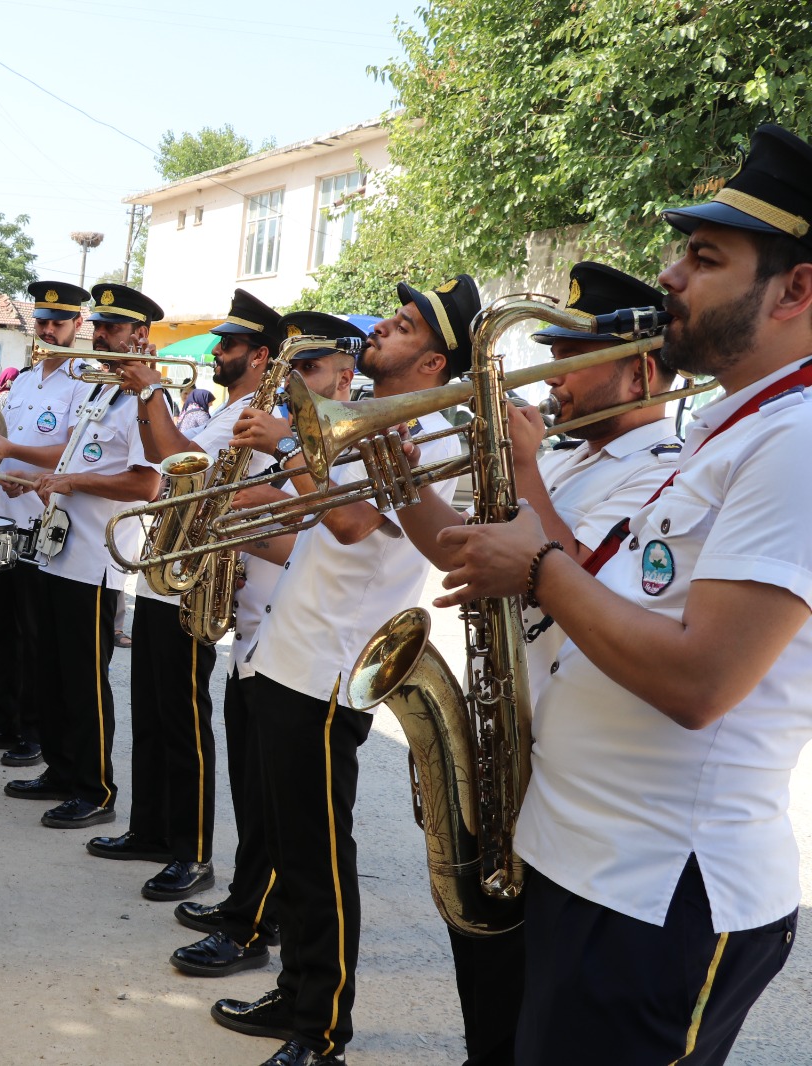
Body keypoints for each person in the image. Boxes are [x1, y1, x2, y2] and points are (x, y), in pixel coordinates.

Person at [432, 123, 812, 1066]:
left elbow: (701, 683)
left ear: (797, 290)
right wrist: (538, 540)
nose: (672, 277)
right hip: (594, 865)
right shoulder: (732, 433)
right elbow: (606, 587)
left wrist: (539, 566)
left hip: (661, 892)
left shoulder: (796, 442)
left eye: (705, 257)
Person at [388, 261, 679, 1066]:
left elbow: (578, 584)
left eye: (568, 359)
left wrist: (520, 471)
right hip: (520, 750)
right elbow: (470, 555)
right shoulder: (571, 458)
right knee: (488, 996)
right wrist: (402, 477)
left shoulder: (663, 467)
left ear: (642, 368)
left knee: (526, 1011)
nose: (552, 382)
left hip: (570, 773)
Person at [213, 276, 477, 1066]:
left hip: (330, 670)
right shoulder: (365, 420)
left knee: (321, 857)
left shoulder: (432, 437)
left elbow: (355, 523)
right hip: (287, 652)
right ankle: (297, 991)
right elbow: (314, 523)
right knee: (292, 852)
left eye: (401, 328)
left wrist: (287, 447)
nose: (381, 332)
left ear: (434, 363)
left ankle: (322, 1029)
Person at [167, 313, 362, 980]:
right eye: (294, 372)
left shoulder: (346, 440)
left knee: (283, 815)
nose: (298, 387)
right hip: (258, 630)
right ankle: (250, 909)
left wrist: (247, 514)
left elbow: (334, 537)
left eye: (311, 371)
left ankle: (249, 924)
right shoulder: (308, 435)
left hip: (304, 649)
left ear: (345, 374)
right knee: (256, 799)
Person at [86, 289, 282, 904]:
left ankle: (192, 852)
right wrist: (148, 397)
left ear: (259, 355)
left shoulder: (252, 416)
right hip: (162, 570)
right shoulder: (222, 412)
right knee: (150, 707)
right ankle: (151, 827)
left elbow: (176, 462)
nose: (216, 352)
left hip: (194, 582)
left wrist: (147, 389)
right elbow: (156, 453)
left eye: (229, 345)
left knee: (183, 720)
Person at [0, 282, 162, 829]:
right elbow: (73, 457)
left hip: (98, 558)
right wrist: (40, 481)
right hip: (60, 550)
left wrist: (70, 480)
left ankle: (95, 790)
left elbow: (145, 484)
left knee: (86, 683)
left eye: (114, 328)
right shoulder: (97, 390)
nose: (102, 334)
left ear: (141, 337)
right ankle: (62, 772)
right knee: (56, 673)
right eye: (101, 326)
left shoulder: (145, 401)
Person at [0, 280, 92, 766]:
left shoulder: (86, 382)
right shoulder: (26, 380)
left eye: (59, 321)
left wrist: (15, 459)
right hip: (2, 516)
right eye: (42, 321)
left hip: (43, 522)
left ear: (79, 325)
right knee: (1, 626)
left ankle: (33, 733)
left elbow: (73, 451)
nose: (49, 329)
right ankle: (2, 718)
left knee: (36, 635)